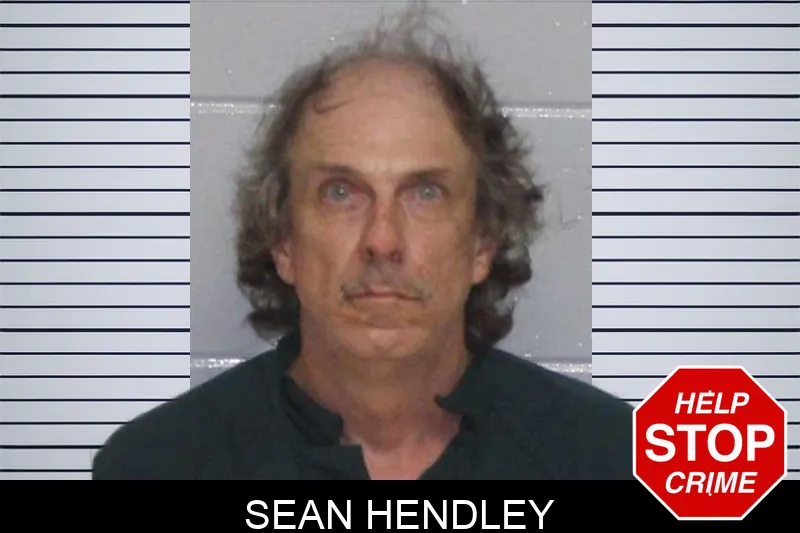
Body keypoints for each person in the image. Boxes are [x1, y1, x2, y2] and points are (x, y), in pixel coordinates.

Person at [92, 7, 632, 480]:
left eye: (425, 193)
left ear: (482, 243)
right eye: (340, 193)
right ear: (283, 240)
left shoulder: (612, 459)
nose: (382, 239)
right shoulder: (159, 465)